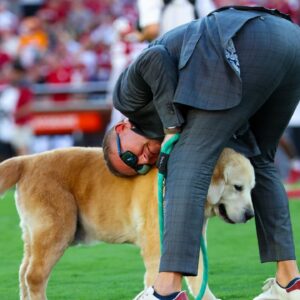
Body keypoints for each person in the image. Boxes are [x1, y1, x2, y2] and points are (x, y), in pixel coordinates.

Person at [102, 6, 300, 300]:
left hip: (243, 39)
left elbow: (154, 59)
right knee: (259, 159)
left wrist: (171, 127)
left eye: (130, 157)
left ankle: (166, 291)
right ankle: (290, 284)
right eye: (141, 168)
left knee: (184, 164)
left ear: (120, 130)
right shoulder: (155, 128)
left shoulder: (125, 100)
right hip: (288, 40)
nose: (144, 161)